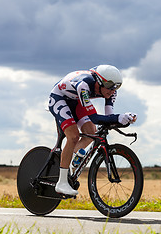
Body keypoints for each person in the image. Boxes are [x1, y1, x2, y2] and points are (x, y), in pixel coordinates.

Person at [48, 65, 137, 196]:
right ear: (99, 82)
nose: (113, 91)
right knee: (73, 136)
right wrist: (118, 118)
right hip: (59, 98)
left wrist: (124, 119)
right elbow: (94, 118)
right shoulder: (84, 85)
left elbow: (108, 117)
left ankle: (70, 157)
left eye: (116, 87)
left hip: (76, 100)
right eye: (109, 86)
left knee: (91, 133)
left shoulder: (110, 90)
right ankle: (61, 183)